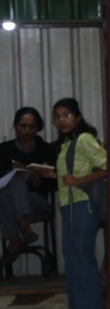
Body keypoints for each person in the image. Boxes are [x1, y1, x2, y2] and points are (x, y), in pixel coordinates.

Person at [47, 99, 108, 309]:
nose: (61, 120)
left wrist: (78, 182)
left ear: (78, 118)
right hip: (69, 207)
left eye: (67, 115)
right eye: (57, 116)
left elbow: (108, 166)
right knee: (73, 265)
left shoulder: (83, 139)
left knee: (82, 262)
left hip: (83, 206)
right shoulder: (66, 145)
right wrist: (52, 175)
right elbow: (68, 177)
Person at [0, 107, 57, 265]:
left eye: (31, 127)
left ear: (38, 128)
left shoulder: (47, 150)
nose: (26, 131)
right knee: (13, 181)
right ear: (15, 126)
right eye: (22, 126)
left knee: (11, 189)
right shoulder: (4, 150)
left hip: (37, 200)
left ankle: (15, 239)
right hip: (8, 200)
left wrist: (38, 181)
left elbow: (55, 184)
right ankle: (24, 227)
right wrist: (10, 171)